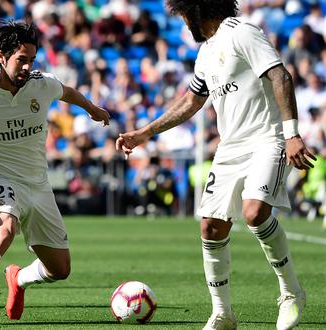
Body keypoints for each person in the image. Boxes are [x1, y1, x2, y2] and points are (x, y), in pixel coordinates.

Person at [115, 1, 316, 330]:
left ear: (195, 10)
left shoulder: (243, 32)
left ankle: (291, 292)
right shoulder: (206, 52)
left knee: (254, 213)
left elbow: (281, 75)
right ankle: (223, 314)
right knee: (210, 227)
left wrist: (291, 134)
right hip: (230, 147)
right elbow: (192, 101)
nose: (183, 23)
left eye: (183, 16)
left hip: (268, 139)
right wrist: (146, 132)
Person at [0, 21, 110, 326]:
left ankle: (18, 278)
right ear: (1, 57)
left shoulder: (41, 83)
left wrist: (92, 109)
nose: (27, 67)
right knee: (4, 229)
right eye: (21, 59)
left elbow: (67, 92)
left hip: (39, 185)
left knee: (60, 269)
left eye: (32, 60)